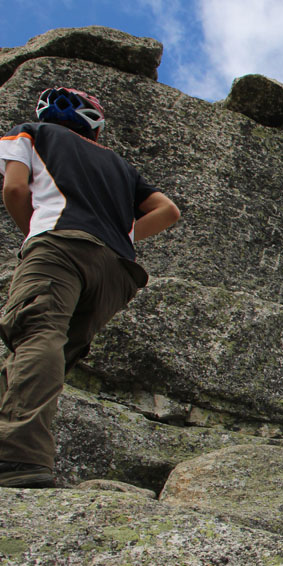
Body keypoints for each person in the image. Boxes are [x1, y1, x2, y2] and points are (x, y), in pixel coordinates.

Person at [0, 86, 179, 488]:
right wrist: (125, 236)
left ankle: (17, 460)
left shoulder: (30, 133)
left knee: (35, 337)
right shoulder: (119, 165)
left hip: (60, 247)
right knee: (51, 354)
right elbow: (168, 211)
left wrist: (35, 232)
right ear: (95, 128)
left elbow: (13, 188)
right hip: (117, 272)